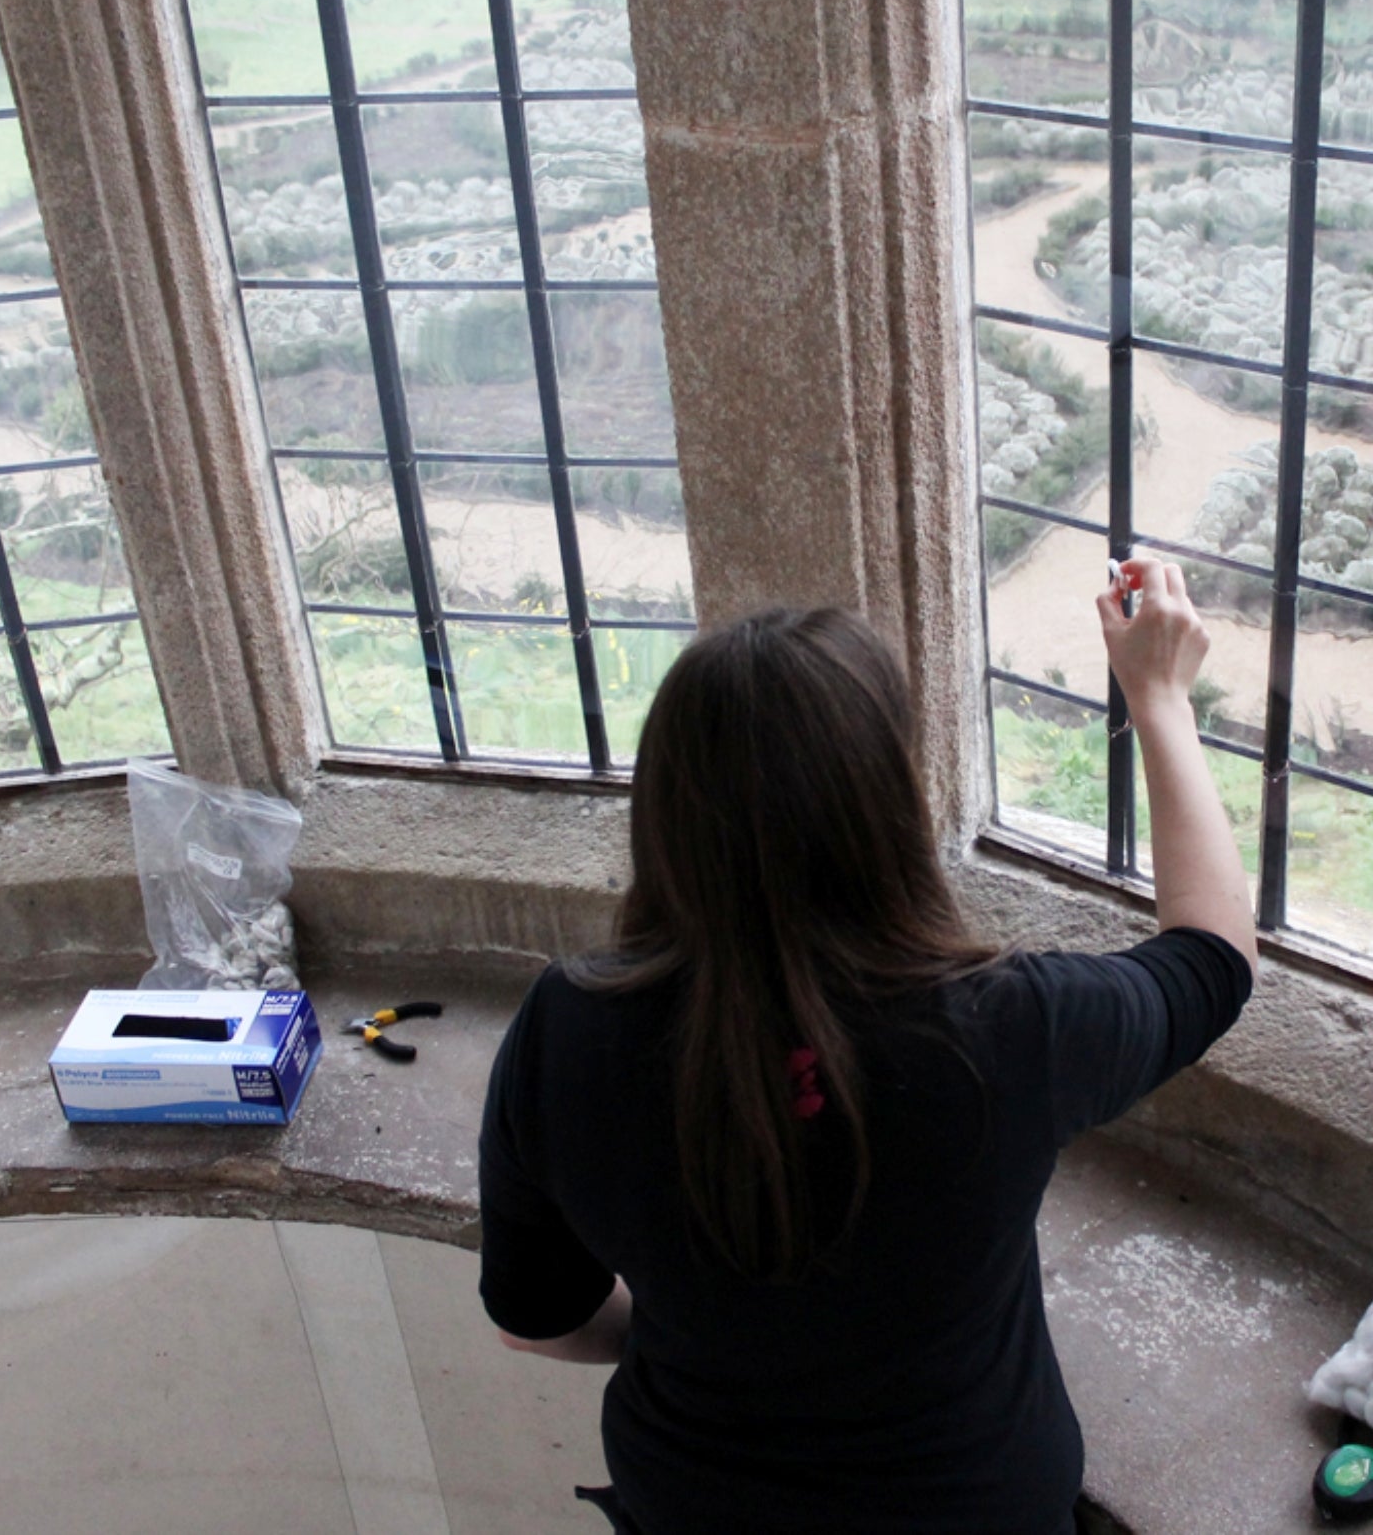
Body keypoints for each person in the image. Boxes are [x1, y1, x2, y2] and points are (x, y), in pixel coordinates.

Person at [479, 557, 1258, 1534]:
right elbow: (1216, 961)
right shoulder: (1011, 1031)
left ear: (666, 814)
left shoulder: (569, 1031)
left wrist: (700, 1339)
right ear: (886, 805)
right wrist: (1158, 696)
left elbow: (536, 1320)